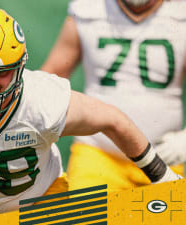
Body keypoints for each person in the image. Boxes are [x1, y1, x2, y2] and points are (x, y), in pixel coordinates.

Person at [0, 7, 181, 224]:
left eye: (1, 71)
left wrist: (162, 176)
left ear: (20, 67)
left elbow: (113, 120)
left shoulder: (43, 99)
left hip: (41, 210)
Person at [41, 0, 186, 192]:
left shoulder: (180, 13)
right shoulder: (88, 9)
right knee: (85, 220)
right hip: (98, 155)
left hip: (162, 159)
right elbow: (52, 76)